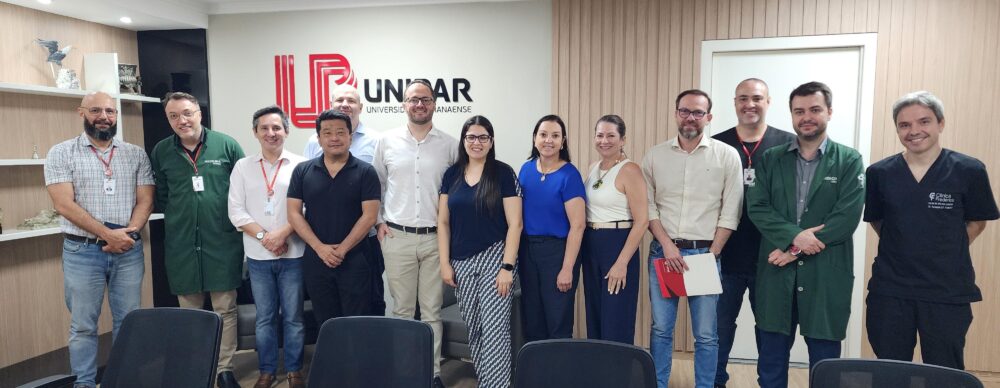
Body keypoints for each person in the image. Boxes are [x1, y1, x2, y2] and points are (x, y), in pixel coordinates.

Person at [864, 91, 998, 370]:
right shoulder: (879, 173)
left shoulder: (969, 170)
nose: (914, 131)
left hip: (946, 291)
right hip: (891, 290)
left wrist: (946, 249)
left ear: (940, 123)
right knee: (890, 370)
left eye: (924, 122)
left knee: (944, 371)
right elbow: (878, 221)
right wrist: (907, 246)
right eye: (904, 125)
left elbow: (977, 221)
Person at [746, 81, 865, 388]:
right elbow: (758, 207)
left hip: (825, 274)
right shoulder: (771, 158)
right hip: (775, 277)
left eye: (814, 109)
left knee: (825, 364)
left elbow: (845, 218)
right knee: (771, 361)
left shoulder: (849, 160)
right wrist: (796, 238)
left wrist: (793, 249)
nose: (806, 117)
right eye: (799, 111)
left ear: (829, 111)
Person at [44, 92, 154, 388]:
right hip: (82, 250)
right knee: (83, 326)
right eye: (96, 110)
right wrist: (108, 234)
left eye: (110, 110)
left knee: (129, 322)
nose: (104, 116)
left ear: (116, 115)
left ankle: (123, 381)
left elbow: (146, 200)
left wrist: (128, 233)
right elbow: (63, 205)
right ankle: (84, 383)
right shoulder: (61, 152)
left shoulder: (135, 153)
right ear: (82, 113)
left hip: (128, 251)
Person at [642, 90, 743, 388]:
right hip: (664, 252)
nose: (691, 117)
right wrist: (668, 244)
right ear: (676, 114)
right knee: (661, 329)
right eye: (685, 111)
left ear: (708, 117)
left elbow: (731, 210)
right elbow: (649, 207)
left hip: (705, 255)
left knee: (706, 334)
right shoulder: (655, 155)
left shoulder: (726, 155)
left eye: (698, 113)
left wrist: (712, 253)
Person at [151, 91, 245, 388]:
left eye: (188, 113)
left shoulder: (226, 145)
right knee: (190, 313)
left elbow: (244, 188)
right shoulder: (162, 151)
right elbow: (163, 196)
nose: (182, 120)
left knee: (225, 309)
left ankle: (224, 369)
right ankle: (197, 367)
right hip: (182, 245)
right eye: (174, 116)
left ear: (199, 113)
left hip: (222, 242)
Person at [710, 78, 795, 388]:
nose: (750, 104)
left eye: (757, 98)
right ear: (734, 103)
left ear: (768, 102)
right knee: (716, 328)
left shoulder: (788, 145)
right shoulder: (716, 145)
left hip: (772, 258)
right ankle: (714, 382)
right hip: (722, 256)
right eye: (743, 98)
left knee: (772, 331)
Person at [373, 79, 458, 384]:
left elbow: (457, 193)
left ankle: (433, 372)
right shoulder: (386, 141)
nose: (419, 104)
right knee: (403, 310)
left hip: (437, 238)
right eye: (413, 99)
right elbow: (378, 186)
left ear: (434, 103)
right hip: (398, 237)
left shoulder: (449, 145)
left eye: (425, 99)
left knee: (432, 310)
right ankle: (406, 373)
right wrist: (379, 222)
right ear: (404, 104)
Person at [438, 115, 522, 388]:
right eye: (471, 137)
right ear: (464, 141)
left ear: (491, 141)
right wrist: (445, 263)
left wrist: (507, 268)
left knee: (496, 330)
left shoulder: (503, 172)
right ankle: (487, 381)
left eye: (483, 137)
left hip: (495, 258)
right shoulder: (452, 174)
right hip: (461, 262)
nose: (477, 142)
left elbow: (515, 224)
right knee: (474, 328)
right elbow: (443, 221)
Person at [227, 106, 307, 388]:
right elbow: (236, 211)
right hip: (258, 256)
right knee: (265, 318)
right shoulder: (242, 167)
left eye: (277, 128)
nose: (271, 133)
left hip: (294, 253)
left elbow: (307, 208)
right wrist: (266, 238)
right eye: (265, 128)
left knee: (294, 317)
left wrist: (283, 234)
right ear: (255, 132)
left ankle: (294, 370)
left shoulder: (302, 164)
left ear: (286, 130)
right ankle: (267, 370)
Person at [287, 110, 380, 326]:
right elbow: (293, 213)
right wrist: (320, 248)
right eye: (327, 133)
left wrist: (342, 250)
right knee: (325, 321)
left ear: (350, 136)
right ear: (318, 138)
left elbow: (369, 217)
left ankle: (357, 362)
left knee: (357, 322)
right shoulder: (302, 171)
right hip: (316, 260)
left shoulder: (366, 172)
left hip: (356, 259)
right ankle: (331, 361)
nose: (334, 138)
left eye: (340, 132)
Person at [303, 84, 386, 315]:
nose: (345, 104)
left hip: (365, 238)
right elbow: (310, 185)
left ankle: (366, 351)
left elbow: (384, 184)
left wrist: (379, 221)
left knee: (369, 304)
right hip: (323, 239)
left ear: (361, 106)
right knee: (327, 309)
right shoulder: (313, 141)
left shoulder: (377, 140)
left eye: (351, 100)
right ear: (331, 105)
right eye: (340, 100)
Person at [518, 114, 586, 342]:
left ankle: (559, 376)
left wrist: (567, 268)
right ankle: (537, 375)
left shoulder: (570, 175)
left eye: (555, 136)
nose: (548, 140)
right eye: (543, 134)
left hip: (557, 253)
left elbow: (578, 226)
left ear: (563, 141)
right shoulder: (526, 170)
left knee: (557, 320)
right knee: (533, 318)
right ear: (535, 138)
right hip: (527, 251)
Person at [581, 114, 648, 344]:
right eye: (600, 135)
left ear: (623, 140)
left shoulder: (630, 170)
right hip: (591, 244)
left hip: (617, 244)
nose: (604, 140)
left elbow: (642, 221)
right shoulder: (593, 168)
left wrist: (621, 263)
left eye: (611, 135)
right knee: (596, 315)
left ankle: (617, 376)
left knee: (615, 318)